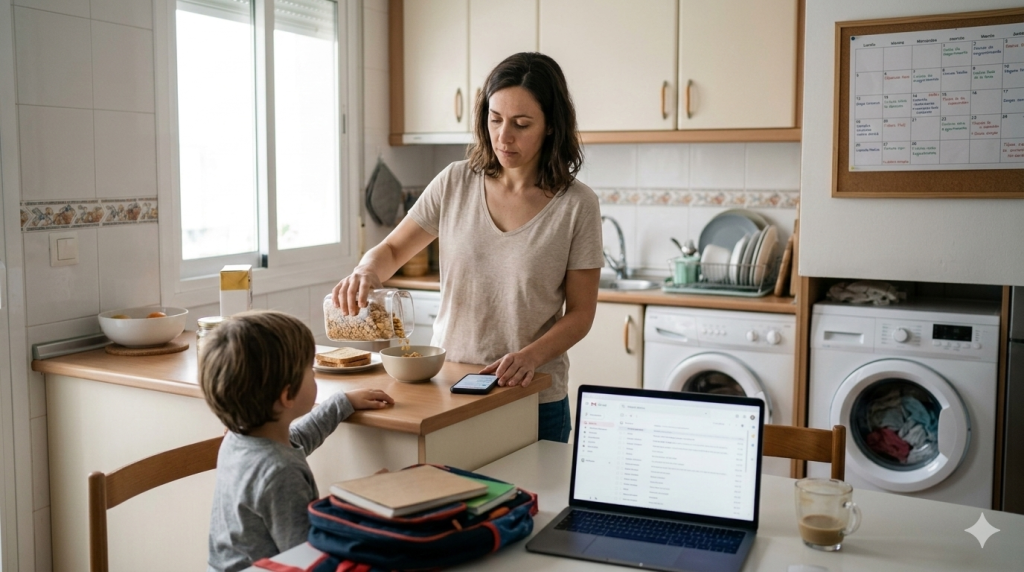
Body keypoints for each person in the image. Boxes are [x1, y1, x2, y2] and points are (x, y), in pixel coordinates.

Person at [333, 52, 603, 443]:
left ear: (550, 126)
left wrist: (530, 356)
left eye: (521, 124)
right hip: (452, 387)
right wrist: (366, 271)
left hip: (531, 396)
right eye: (495, 120)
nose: (503, 137)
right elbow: (392, 250)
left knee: (536, 504)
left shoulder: (577, 205)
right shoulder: (455, 182)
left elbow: (581, 313)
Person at [199, 311, 394, 572]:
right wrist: (361, 502)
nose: (313, 374)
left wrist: (342, 402)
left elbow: (297, 438)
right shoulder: (281, 472)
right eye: (309, 370)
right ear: (287, 395)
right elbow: (309, 555)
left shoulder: (238, 438)